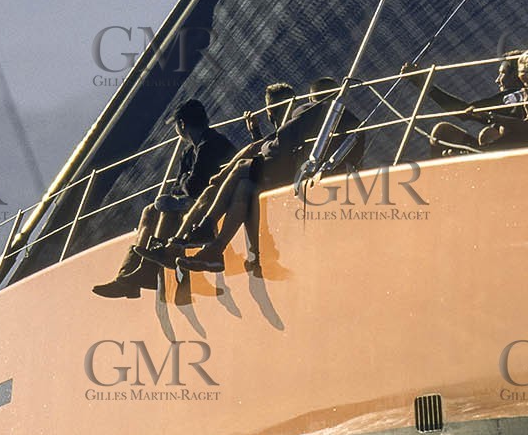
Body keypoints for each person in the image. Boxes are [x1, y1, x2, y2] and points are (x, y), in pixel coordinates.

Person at [159, 79, 354, 275]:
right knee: (244, 186)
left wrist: (255, 149)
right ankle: (216, 250)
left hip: (296, 175)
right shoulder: (345, 118)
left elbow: (280, 143)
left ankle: (201, 232)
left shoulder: (311, 110)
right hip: (309, 173)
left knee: (238, 171)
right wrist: (258, 138)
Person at [91, 98, 237, 298]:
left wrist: (185, 182)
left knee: (167, 208)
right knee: (150, 210)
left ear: (182, 125)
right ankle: (127, 277)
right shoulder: (189, 152)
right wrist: (185, 182)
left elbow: (193, 186)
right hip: (193, 201)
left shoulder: (212, 144)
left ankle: (148, 271)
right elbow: (181, 185)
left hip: (211, 203)